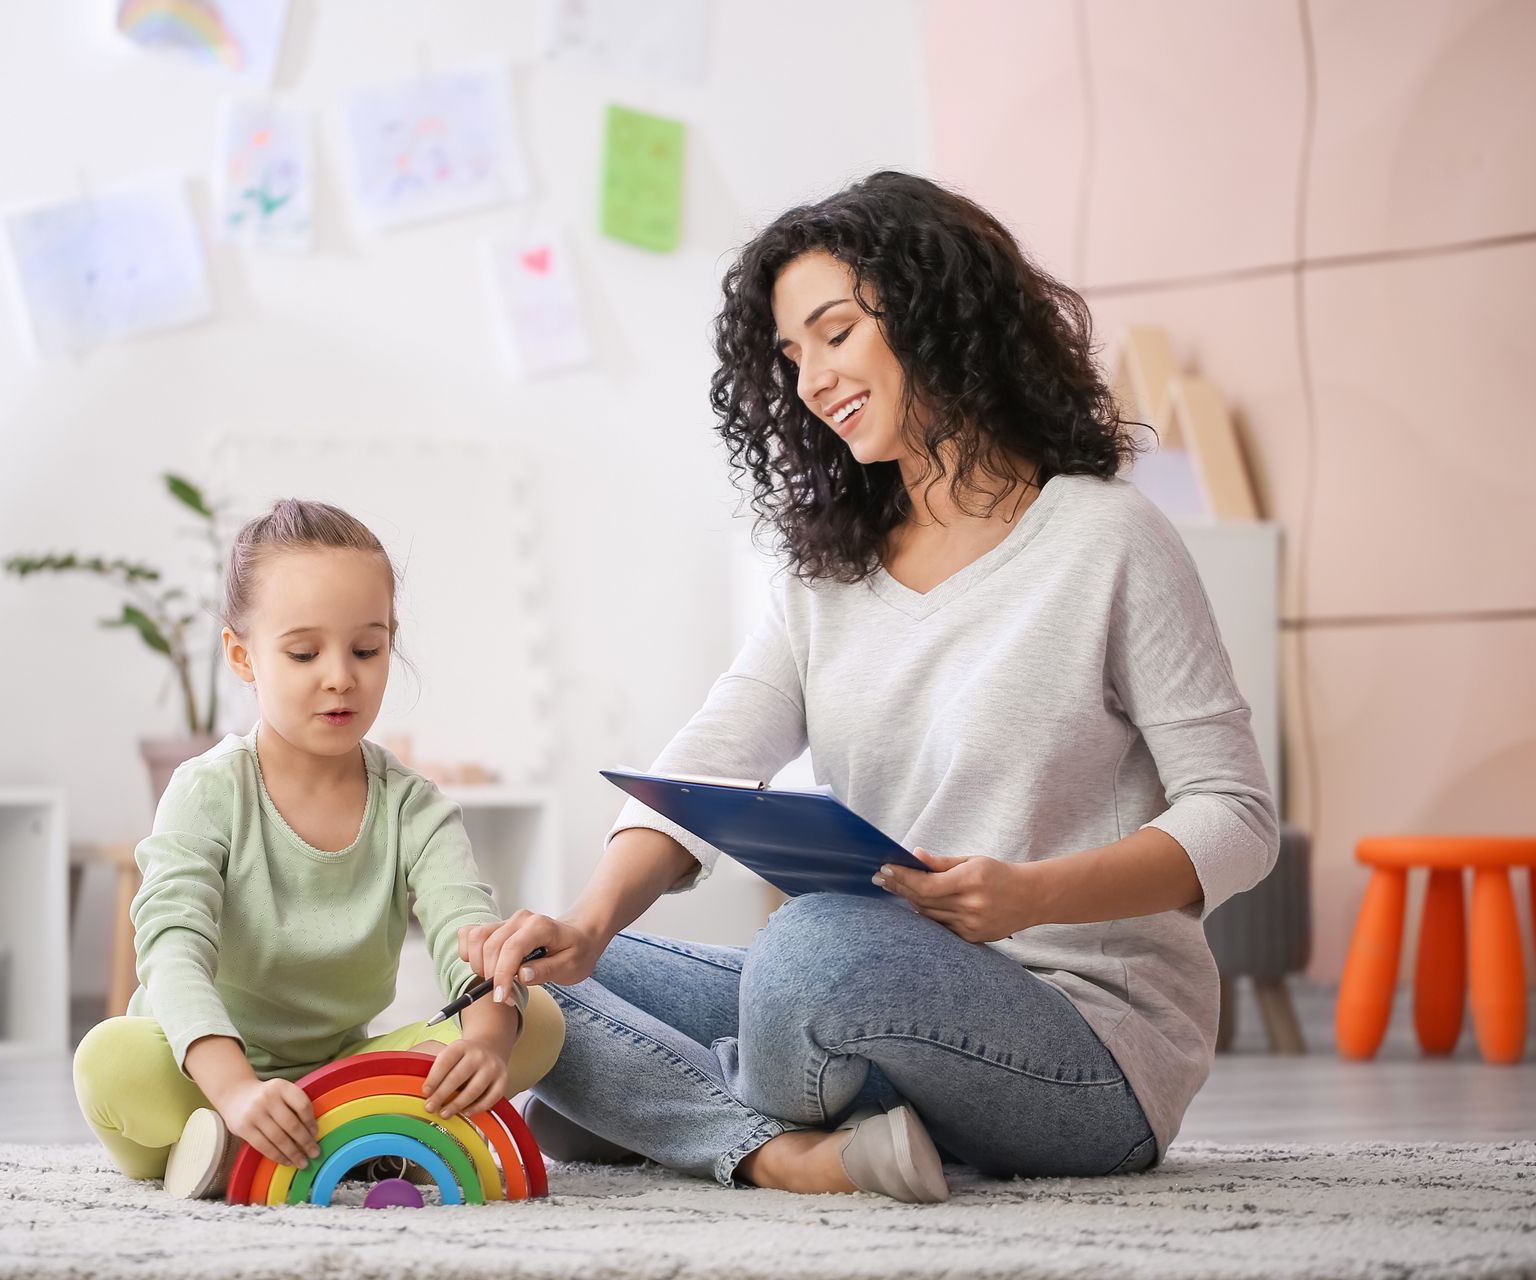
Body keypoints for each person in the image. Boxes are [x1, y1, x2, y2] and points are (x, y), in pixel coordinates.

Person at [460, 171, 1277, 1204]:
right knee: (521, 976)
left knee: (798, 956)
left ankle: (684, 1113)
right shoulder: (825, 578)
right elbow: (703, 763)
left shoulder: (1108, 539)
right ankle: (789, 1145)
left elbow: (1237, 815)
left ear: (937, 313)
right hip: (877, 988)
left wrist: (1027, 893)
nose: (809, 380)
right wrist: (586, 921)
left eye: (835, 333)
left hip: (1087, 1043)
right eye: (791, 356)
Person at [73, 499, 563, 1199]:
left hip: (339, 1071)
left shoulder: (413, 806)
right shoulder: (206, 791)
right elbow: (173, 951)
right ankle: (283, 1130)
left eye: (366, 649)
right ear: (242, 655)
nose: (341, 676)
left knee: (533, 1020)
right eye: (304, 653)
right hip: (201, 1066)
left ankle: (265, 1144)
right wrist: (238, 1089)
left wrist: (485, 1043)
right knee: (107, 1062)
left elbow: (471, 937)